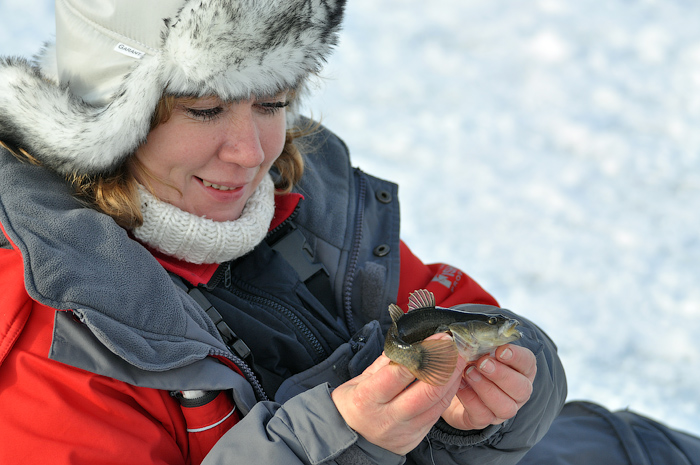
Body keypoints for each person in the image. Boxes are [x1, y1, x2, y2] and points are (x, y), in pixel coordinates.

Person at [0, 1, 566, 464]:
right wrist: (342, 440)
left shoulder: (302, 199)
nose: (251, 153)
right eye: (203, 109)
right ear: (109, 115)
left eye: (272, 101)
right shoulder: (53, 333)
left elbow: (448, 310)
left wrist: (499, 397)